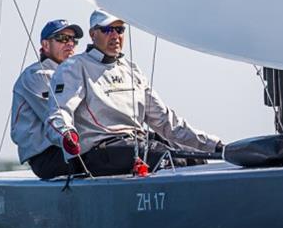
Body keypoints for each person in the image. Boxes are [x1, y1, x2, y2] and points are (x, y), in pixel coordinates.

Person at [45, 9, 222, 177]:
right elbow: (59, 113)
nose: (115, 35)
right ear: (93, 34)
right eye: (107, 30)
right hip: (99, 152)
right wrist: (66, 135)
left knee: (195, 158)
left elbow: (166, 122)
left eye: (119, 29)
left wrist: (214, 146)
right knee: (170, 159)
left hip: (134, 145)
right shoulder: (74, 67)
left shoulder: (132, 70)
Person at [11, 19, 83, 179]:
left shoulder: (70, 75)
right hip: (46, 156)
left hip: (68, 150)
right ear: (45, 44)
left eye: (73, 40)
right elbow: (61, 115)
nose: (70, 43)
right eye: (63, 38)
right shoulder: (37, 76)